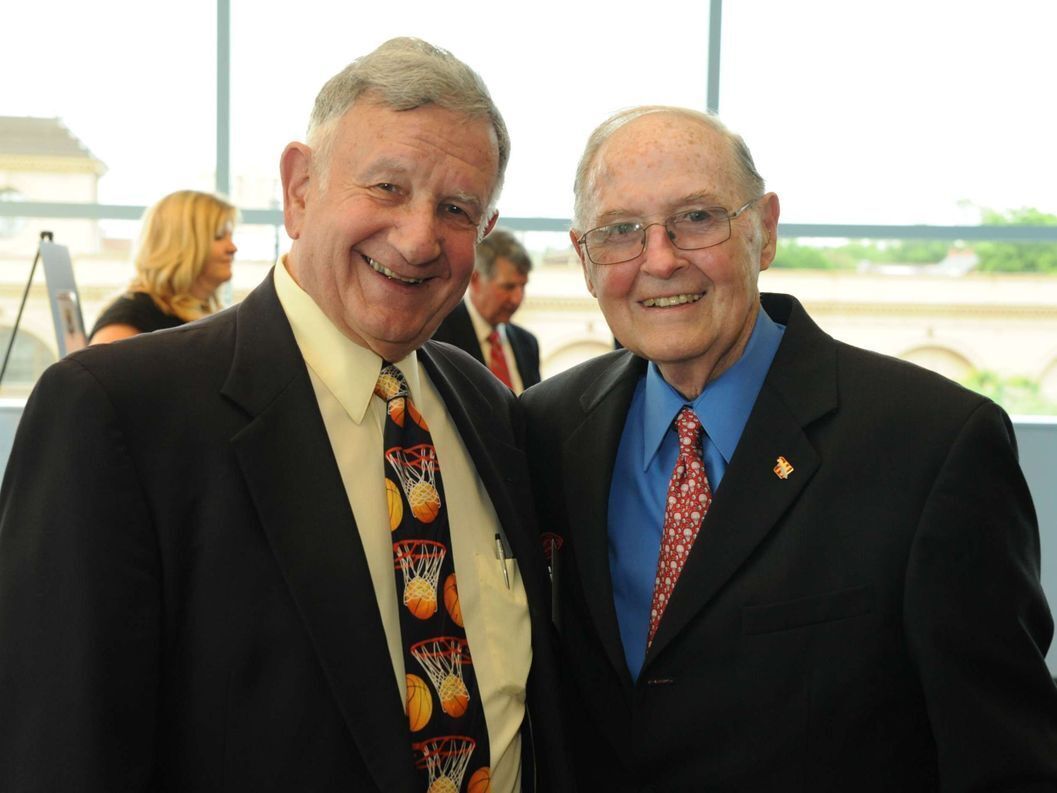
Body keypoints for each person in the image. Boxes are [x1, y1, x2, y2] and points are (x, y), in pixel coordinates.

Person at [0, 38, 570, 793]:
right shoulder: (118, 416)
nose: (418, 236)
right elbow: (59, 750)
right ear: (299, 188)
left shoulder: (487, 408)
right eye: (387, 187)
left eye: (457, 209)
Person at [521, 105, 1057, 790]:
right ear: (585, 260)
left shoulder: (933, 446)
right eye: (620, 230)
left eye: (696, 217)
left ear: (764, 230)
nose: (658, 259)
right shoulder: (544, 428)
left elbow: (1002, 756)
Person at [89, 189, 238, 343]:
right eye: (219, 237)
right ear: (179, 244)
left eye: (231, 236)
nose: (232, 248)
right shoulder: (131, 319)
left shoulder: (206, 315)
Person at [433, 228, 540, 392]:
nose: (517, 299)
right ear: (475, 279)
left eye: (522, 286)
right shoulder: (437, 335)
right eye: (508, 287)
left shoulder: (527, 343)